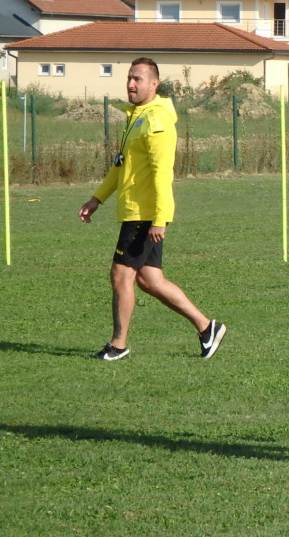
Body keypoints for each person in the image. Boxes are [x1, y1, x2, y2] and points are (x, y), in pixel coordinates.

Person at [78, 57, 225, 361]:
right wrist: (96, 199)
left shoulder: (155, 120)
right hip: (137, 211)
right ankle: (207, 328)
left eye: (138, 79)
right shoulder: (138, 117)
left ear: (154, 84)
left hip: (144, 214)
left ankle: (118, 345)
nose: (131, 84)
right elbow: (121, 167)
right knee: (149, 280)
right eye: (129, 78)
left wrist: (160, 219)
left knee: (121, 275)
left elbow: (162, 174)